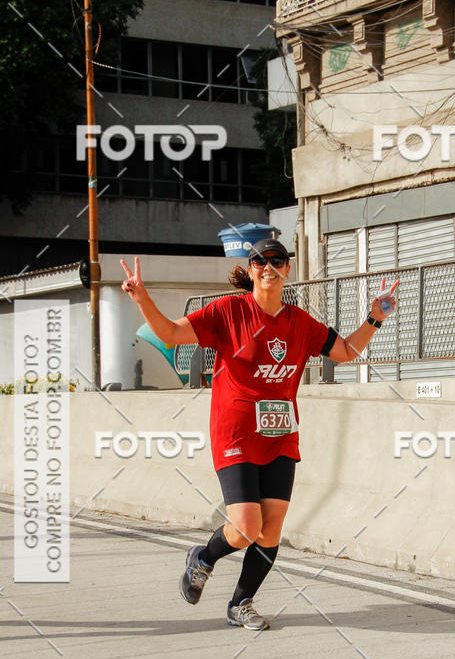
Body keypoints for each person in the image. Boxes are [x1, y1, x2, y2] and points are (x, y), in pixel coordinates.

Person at [120, 242, 398, 631]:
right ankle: (203, 558)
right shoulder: (228, 312)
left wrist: (374, 318)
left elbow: (346, 351)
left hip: (280, 435)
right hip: (235, 432)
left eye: (277, 261)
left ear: (287, 269)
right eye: (260, 261)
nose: (269, 267)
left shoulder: (301, 322)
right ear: (250, 270)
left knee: (271, 528)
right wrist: (142, 297)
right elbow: (168, 333)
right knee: (247, 526)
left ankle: (241, 603)